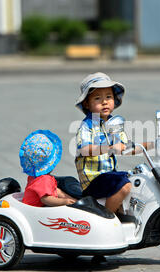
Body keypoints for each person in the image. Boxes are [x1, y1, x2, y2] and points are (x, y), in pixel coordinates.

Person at [74, 72, 152, 214]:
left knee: (136, 180)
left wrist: (149, 146)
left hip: (108, 176)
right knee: (123, 186)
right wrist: (107, 147)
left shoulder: (114, 123)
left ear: (114, 100)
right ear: (87, 103)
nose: (104, 102)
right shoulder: (87, 126)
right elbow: (84, 149)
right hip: (93, 180)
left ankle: (121, 213)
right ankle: (105, 215)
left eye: (108, 97)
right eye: (98, 98)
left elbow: (124, 147)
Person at [19, 129, 76, 207]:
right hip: (35, 211)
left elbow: (55, 190)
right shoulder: (44, 180)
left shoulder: (37, 176)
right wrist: (64, 202)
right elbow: (46, 199)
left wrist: (70, 199)